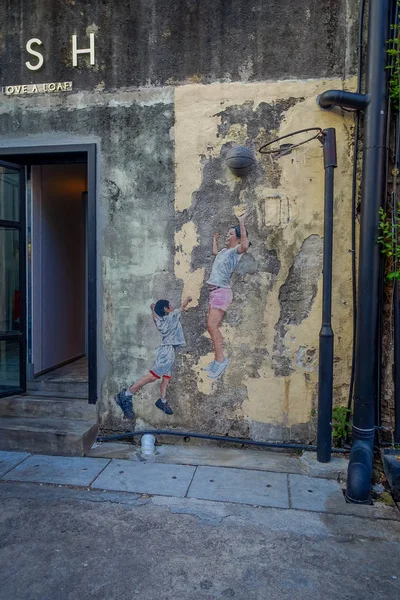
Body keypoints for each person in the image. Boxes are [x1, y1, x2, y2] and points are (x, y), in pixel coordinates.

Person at [115, 296, 192, 418]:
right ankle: (127, 394)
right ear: (167, 309)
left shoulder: (161, 321)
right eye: (170, 306)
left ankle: (162, 400)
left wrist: (153, 310)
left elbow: (155, 319)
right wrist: (188, 300)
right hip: (168, 351)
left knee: (166, 378)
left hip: (166, 349)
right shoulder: (172, 316)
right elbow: (182, 307)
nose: (172, 307)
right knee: (152, 376)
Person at [205, 209, 251, 379]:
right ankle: (218, 360)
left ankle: (221, 360)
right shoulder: (224, 252)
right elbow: (216, 254)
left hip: (221, 293)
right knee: (211, 327)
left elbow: (245, 245)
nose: (227, 236)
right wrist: (214, 241)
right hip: (214, 292)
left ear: (237, 238)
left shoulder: (235, 252)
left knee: (212, 326)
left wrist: (241, 223)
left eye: (230, 234)